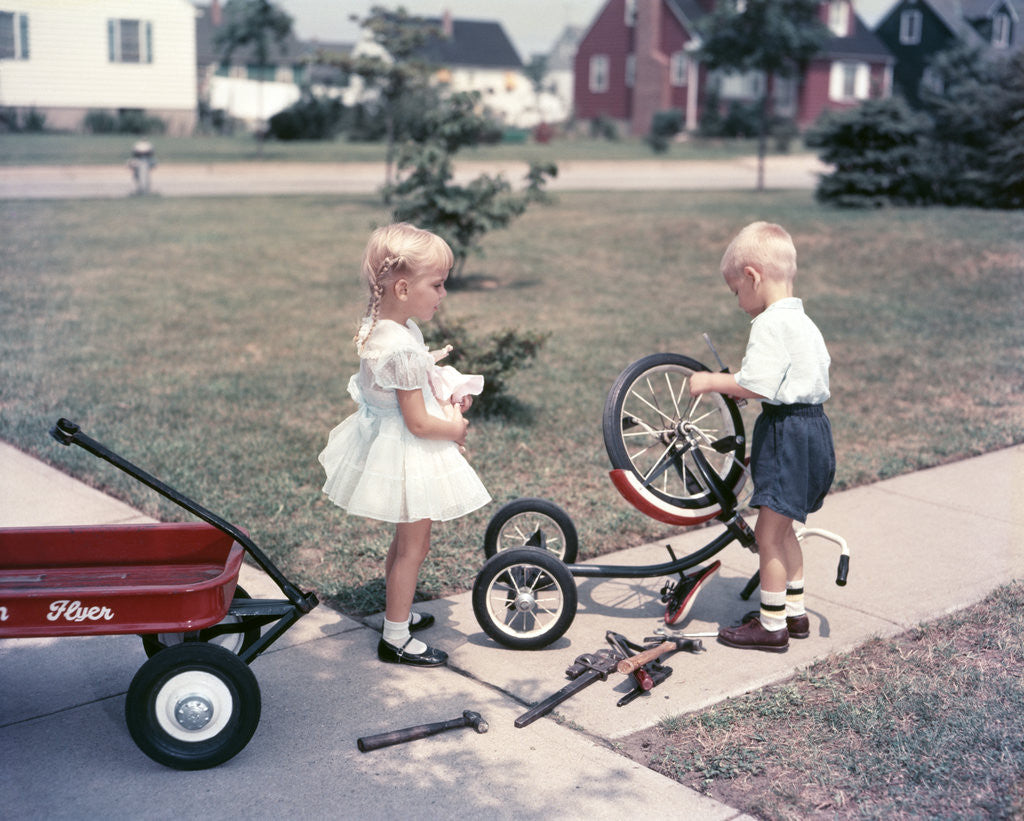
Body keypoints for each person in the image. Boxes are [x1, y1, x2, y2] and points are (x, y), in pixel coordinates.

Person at [318, 223, 490, 667]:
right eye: (437, 284)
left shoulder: (387, 328)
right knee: (415, 546)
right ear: (402, 286)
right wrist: (453, 429)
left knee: (405, 539)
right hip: (406, 451)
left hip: (388, 443)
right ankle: (396, 637)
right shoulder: (401, 345)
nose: (443, 293)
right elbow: (416, 421)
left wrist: (447, 389)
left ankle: (398, 610)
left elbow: (406, 389)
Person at [689, 221, 835, 652]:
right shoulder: (805, 323)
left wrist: (711, 381)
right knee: (786, 528)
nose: (738, 303)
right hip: (814, 430)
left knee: (768, 536)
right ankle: (795, 614)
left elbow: (757, 384)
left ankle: (770, 626)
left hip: (786, 432)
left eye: (736, 291)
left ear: (752, 276)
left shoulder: (769, 324)